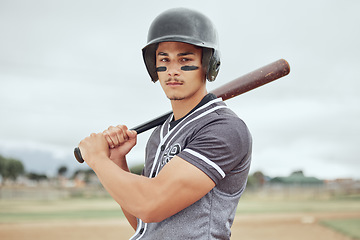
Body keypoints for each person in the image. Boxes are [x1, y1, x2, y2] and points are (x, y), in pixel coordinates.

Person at [78, 7, 252, 239]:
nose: (172, 71)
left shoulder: (224, 129)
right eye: (164, 60)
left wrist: (98, 160)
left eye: (185, 60)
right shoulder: (159, 135)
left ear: (208, 64)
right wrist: (117, 161)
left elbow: (151, 204)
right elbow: (145, 222)